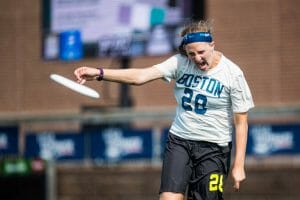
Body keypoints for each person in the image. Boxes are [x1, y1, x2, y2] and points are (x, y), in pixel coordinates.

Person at [74, 20, 254, 200]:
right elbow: (140, 76)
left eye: (201, 52)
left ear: (212, 45)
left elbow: (241, 123)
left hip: (214, 148)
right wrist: (99, 73)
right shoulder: (180, 63)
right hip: (180, 141)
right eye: (192, 54)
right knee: (169, 197)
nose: (197, 58)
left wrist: (238, 165)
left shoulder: (232, 74)